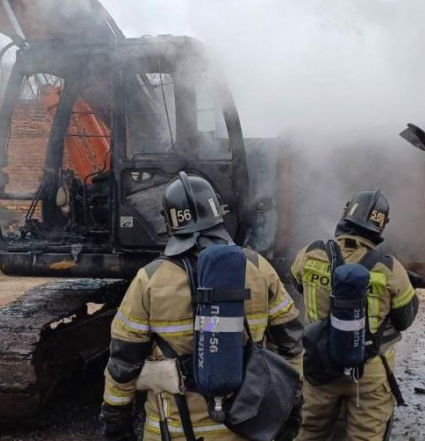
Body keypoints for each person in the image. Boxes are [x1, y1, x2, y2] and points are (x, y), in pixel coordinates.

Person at [101, 172, 304, 441]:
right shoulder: (258, 268)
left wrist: (117, 424)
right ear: (217, 212)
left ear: (169, 222)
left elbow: (122, 364)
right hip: (245, 427)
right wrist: (292, 407)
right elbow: (291, 346)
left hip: (172, 430)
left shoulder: (149, 279)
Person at [291, 189, 420, 441]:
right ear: (380, 227)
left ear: (346, 214)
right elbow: (405, 319)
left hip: (319, 370)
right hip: (368, 375)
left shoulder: (311, 253)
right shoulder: (389, 266)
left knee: (308, 433)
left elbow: (298, 284)